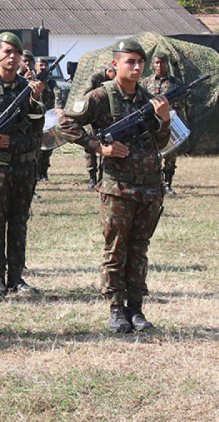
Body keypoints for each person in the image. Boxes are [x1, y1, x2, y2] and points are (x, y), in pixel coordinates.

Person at [57, 38, 170, 334]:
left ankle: (136, 309)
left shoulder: (149, 99)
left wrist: (164, 120)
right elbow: (65, 124)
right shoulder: (100, 97)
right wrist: (98, 147)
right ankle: (117, 308)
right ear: (115, 65)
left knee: (139, 249)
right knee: (116, 249)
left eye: (139, 62)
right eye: (129, 61)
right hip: (118, 187)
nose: (136, 66)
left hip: (149, 187)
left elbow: (162, 144)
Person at [0, 32, 48, 296]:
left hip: (24, 165)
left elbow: (38, 124)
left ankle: (16, 276)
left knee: (19, 220)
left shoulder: (28, 88)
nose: (12, 57)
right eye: (7, 52)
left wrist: (37, 99)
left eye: (16, 53)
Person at [140, 52, 181, 195]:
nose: (159, 65)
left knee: (170, 155)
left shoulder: (176, 83)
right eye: (157, 62)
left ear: (167, 63)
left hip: (169, 121)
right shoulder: (145, 82)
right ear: (153, 64)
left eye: (162, 62)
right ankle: (154, 183)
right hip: (151, 122)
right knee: (152, 153)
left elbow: (183, 100)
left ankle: (168, 184)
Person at [83, 60, 116, 189]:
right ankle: (92, 177)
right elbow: (87, 96)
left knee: (105, 145)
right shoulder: (95, 78)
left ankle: (103, 176)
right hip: (92, 117)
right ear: (109, 71)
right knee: (90, 147)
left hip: (106, 117)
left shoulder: (116, 82)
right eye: (115, 73)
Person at [33, 57, 61, 181]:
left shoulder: (51, 82)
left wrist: (58, 107)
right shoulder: (31, 80)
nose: (43, 67)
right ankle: (36, 173)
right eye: (40, 65)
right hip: (34, 117)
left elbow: (58, 95)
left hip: (48, 117)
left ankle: (44, 172)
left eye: (45, 65)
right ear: (36, 67)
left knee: (48, 147)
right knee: (36, 148)